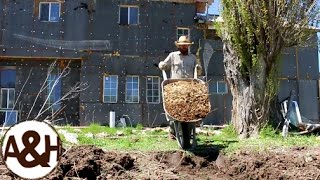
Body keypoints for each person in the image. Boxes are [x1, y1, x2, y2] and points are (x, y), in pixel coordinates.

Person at [159, 36, 202, 140]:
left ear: (188, 46)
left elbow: (199, 72)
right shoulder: (173, 56)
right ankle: (172, 131)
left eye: (185, 45)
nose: (184, 47)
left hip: (189, 88)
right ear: (178, 46)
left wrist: (199, 68)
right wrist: (162, 64)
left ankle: (192, 127)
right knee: (173, 110)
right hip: (175, 87)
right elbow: (164, 65)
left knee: (191, 110)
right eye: (182, 45)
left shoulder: (192, 58)